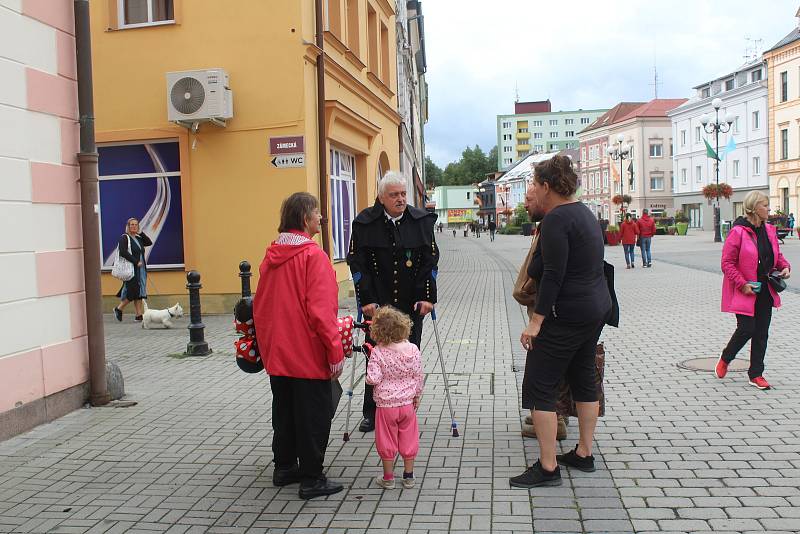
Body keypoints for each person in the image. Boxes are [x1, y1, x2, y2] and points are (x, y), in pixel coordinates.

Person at [510, 155, 611, 489]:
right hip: (595, 310)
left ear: (548, 186)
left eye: (535, 185)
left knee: (540, 387)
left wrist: (536, 322)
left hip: (564, 315)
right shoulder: (585, 213)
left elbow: (553, 275)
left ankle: (548, 466)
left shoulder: (556, 220)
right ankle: (584, 453)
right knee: (583, 380)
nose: (533, 192)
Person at [253, 192, 345, 499]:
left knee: (285, 411)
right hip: (307, 351)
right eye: (317, 213)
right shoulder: (312, 257)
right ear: (306, 219)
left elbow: (261, 305)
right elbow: (321, 311)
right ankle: (311, 478)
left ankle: (284, 467)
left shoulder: (271, 256)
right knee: (313, 416)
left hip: (278, 351)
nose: (321, 217)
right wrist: (334, 351)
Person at [347, 171, 438, 432]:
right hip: (378, 305)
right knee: (374, 357)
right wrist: (366, 299)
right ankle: (372, 412)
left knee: (407, 357)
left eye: (403, 194)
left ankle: (405, 409)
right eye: (394, 195)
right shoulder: (365, 223)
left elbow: (430, 261)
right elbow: (358, 264)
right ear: (381, 197)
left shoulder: (420, 221)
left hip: (411, 304)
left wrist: (427, 296)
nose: (400, 199)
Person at [716, 191, 791, 390]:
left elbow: (777, 255)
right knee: (747, 328)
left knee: (761, 333)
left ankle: (756, 374)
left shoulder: (769, 230)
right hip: (745, 289)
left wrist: (785, 267)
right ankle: (726, 357)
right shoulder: (738, 231)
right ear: (754, 208)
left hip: (765, 289)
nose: (769, 209)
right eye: (765, 205)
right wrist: (742, 284)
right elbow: (727, 263)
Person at [513, 183, 568, 441]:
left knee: (546, 367)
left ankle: (553, 419)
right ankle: (548, 414)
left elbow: (546, 272)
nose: (525, 203)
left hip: (551, 308)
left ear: (544, 194)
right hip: (553, 305)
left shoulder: (553, 224)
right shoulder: (550, 222)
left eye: (528, 198)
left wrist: (537, 319)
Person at [366, 306, 423, 490]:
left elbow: (372, 378)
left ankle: (388, 477)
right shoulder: (413, 349)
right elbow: (418, 375)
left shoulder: (378, 352)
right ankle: (408, 476)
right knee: (408, 436)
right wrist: (417, 395)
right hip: (407, 403)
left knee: (386, 439)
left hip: (386, 405)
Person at [113, 218, 152, 322]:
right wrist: (135, 261)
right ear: (128, 226)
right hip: (131, 269)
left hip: (141, 270)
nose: (134, 226)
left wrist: (141, 233)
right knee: (133, 291)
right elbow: (123, 252)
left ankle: (139, 315)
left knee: (139, 292)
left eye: (136, 225)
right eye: (132, 225)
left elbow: (149, 242)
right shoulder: (125, 238)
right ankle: (119, 308)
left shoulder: (139, 238)